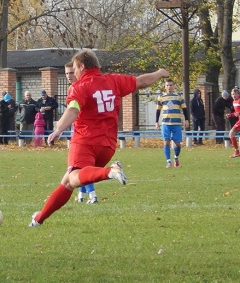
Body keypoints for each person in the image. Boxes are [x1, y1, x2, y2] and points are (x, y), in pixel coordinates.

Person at [29, 49, 170, 227]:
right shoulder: (113, 80)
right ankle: (38, 219)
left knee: (73, 178)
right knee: (67, 182)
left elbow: (73, 109)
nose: (74, 74)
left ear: (82, 66)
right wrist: (159, 73)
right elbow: (142, 82)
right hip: (108, 146)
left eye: (74, 69)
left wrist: (58, 130)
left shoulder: (80, 87)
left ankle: (111, 171)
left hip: (85, 142)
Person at [65, 62, 98, 204]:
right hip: (78, 131)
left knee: (81, 167)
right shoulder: (72, 88)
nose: (69, 76)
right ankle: (81, 195)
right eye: (66, 73)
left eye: (71, 72)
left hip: (86, 133)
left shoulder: (83, 87)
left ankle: (93, 195)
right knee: (78, 167)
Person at [155, 79, 189, 168]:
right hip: (165, 123)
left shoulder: (179, 96)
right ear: (165, 86)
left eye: (170, 85)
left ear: (173, 86)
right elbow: (158, 110)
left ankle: (176, 157)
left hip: (177, 123)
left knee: (177, 143)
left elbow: (185, 109)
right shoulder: (161, 96)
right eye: (167, 85)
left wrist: (186, 120)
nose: (169, 87)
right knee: (166, 142)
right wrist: (156, 122)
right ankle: (168, 162)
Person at [226, 88, 240, 158]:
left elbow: (238, 112)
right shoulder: (234, 102)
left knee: (231, 134)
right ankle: (236, 152)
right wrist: (230, 115)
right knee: (231, 134)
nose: (234, 95)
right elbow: (236, 113)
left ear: (238, 94)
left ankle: (237, 152)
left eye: (235, 94)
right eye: (232, 94)